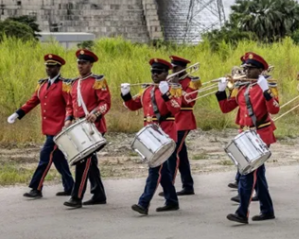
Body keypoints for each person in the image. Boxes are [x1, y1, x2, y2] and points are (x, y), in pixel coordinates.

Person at [217, 52, 280, 224]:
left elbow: (274, 109)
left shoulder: (268, 86)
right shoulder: (242, 87)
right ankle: (267, 210)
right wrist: (221, 91)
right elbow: (226, 108)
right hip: (244, 134)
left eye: (250, 69)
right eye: (245, 68)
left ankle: (242, 212)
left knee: (247, 173)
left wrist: (266, 90)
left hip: (260, 133)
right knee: (258, 175)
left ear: (260, 70)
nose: (246, 72)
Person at [7, 54, 74, 199]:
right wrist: (18, 113)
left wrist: (68, 120)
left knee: (45, 156)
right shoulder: (42, 85)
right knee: (57, 158)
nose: (49, 69)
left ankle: (36, 188)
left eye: (52, 66)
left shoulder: (64, 85)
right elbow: (32, 101)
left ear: (58, 68)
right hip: (48, 128)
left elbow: (70, 105)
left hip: (59, 129)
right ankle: (70, 186)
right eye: (47, 66)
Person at [122, 58, 182, 215]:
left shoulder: (173, 89)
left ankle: (143, 203)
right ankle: (172, 200)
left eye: (159, 72)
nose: (155, 74)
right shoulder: (146, 90)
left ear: (166, 73)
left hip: (165, 135)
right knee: (163, 171)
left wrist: (166, 94)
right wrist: (126, 95)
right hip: (150, 135)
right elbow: (133, 106)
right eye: (153, 72)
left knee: (155, 168)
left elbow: (176, 109)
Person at [63, 49, 110, 209]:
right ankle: (98, 194)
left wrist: (95, 114)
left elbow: (105, 103)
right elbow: (69, 105)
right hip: (78, 127)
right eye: (79, 63)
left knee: (83, 161)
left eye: (84, 63)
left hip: (93, 127)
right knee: (90, 162)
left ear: (91, 65)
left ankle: (76, 197)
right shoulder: (74, 83)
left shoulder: (98, 81)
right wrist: (68, 119)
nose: (80, 65)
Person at [169, 55, 201, 196]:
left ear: (183, 68)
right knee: (181, 154)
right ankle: (188, 185)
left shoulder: (193, 81)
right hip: (172, 119)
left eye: (176, 68)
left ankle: (169, 186)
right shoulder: (169, 81)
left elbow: (189, 100)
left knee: (173, 152)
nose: (173, 71)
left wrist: (176, 87)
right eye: (172, 68)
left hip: (184, 120)